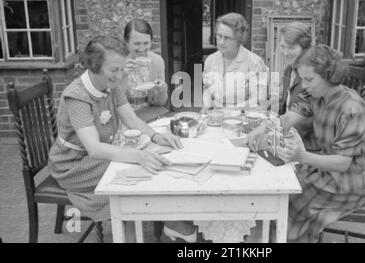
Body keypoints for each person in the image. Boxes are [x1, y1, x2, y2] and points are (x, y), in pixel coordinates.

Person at [48, 36, 182, 226]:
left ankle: (158, 222)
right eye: (113, 70)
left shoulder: (111, 85)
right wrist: (138, 156)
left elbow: (131, 119)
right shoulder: (77, 96)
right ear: (94, 66)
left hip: (95, 157)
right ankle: (150, 225)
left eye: (122, 68)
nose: (120, 76)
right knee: (136, 169)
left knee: (147, 159)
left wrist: (157, 136)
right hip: (73, 165)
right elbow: (94, 148)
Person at [271, 44, 365, 242]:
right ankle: (283, 235)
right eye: (302, 79)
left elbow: (343, 164)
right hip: (325, 171)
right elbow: (289, 118)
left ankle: (285, 237)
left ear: (329, 75)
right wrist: (264, 128)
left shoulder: (352, 108)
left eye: (309, 79)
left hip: (348, 183)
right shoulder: (317, 95)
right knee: (283, 187)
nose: (304, 85)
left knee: (287, 197)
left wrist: (302, 156)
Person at [247, 22, 315, 151]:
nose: (285, 52)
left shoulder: (310, 77)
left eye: (292, 48)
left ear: (305, 48)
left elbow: (299, 117)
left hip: (304, 143)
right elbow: (285, 104)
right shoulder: (290, 69)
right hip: (286, 133)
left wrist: (268, 130)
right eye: (283, 47)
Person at [203, 12, 268, 109]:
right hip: (215, 118)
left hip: (243, 118)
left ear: (239, 39)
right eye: (219, 36)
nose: (221, 42)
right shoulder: (210, 60)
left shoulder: (254, 62)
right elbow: (207, 91)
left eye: (227, 38)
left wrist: (230, 111)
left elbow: (258, 99)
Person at [123, 19, 168, 110]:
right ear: (126, 42)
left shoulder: (157, 61)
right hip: (125, 113)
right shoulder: (118, 63)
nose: (142, 48)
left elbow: (160, 102)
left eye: (146, 43)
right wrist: (122, 76)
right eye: (137, 43)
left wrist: (161, 90)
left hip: (151, 111)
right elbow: (111, 100)